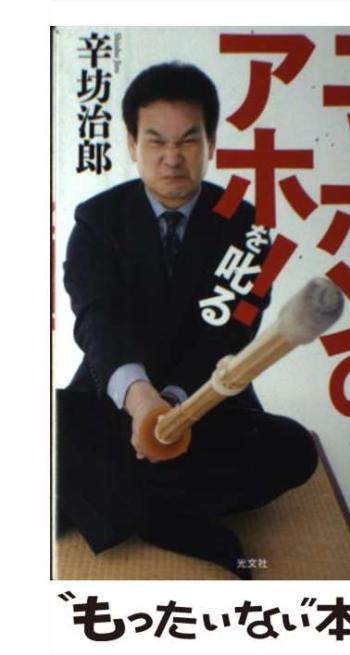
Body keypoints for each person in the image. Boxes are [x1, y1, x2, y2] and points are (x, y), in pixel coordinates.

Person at [56, 62, 318, 578]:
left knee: (293, 450)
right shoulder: (96, 219)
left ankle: (116, 502)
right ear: (132, 143)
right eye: (156, 141)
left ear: (211, 142)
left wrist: (177, 410)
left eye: (188, 141)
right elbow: (97, 320)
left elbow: (231, 331)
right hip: (114, 399)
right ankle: (167, 515)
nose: (172, 158)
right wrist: (141, 403)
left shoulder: (248, 225)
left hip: (207, 401)